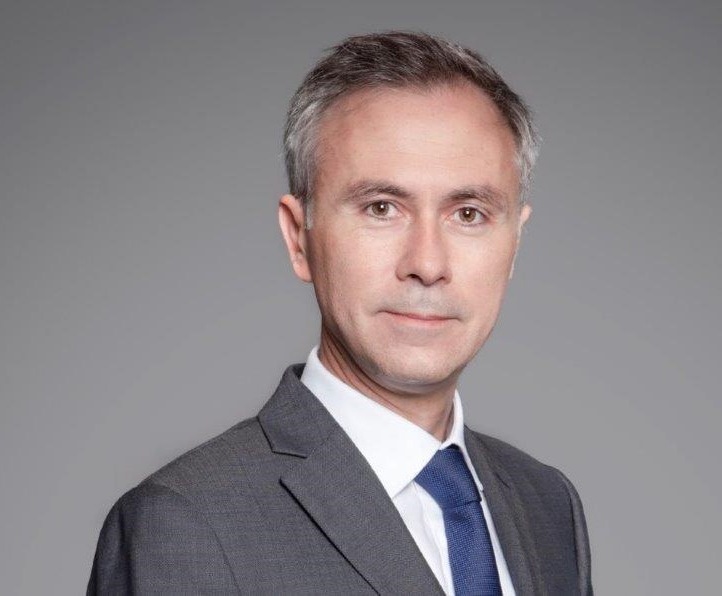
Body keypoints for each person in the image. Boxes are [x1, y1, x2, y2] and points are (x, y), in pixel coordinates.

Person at [88, 31, 592, 595]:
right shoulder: (186, 524)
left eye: (469, 214)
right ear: (298, 238)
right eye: (381, 208)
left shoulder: (547, 505)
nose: (427, 264)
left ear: (515, 244)